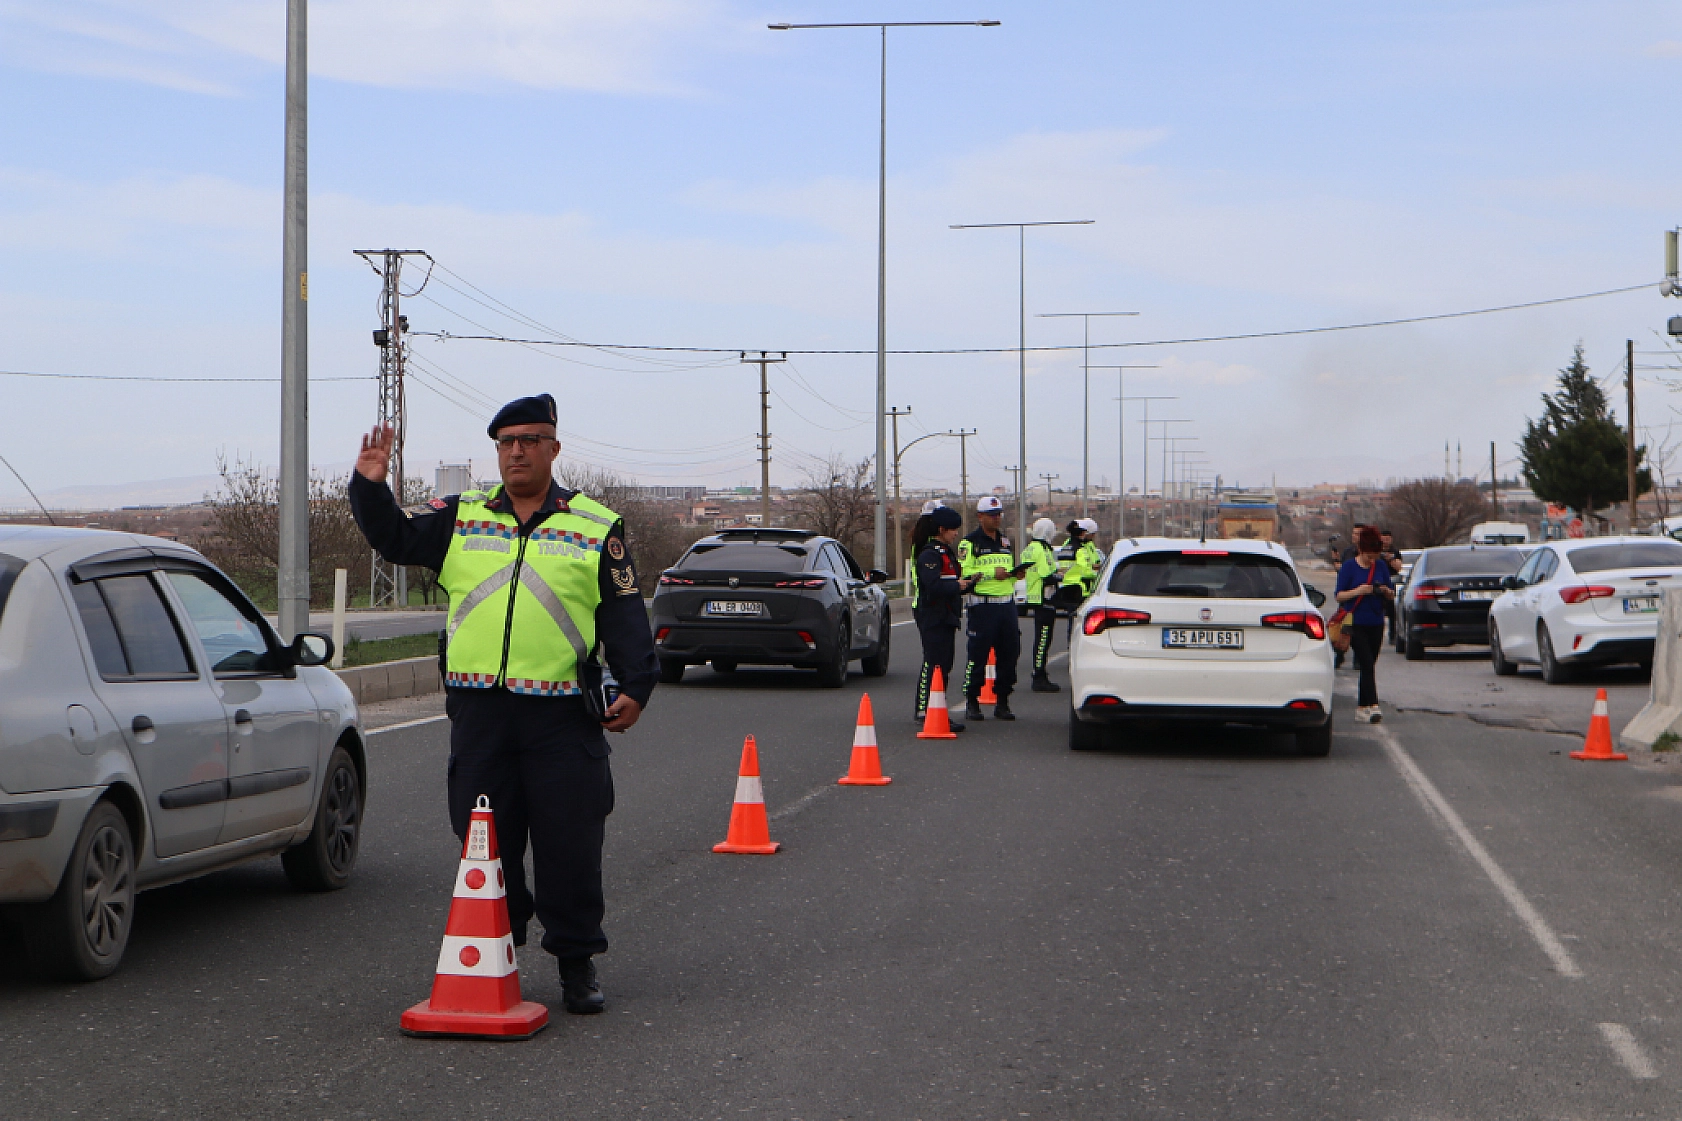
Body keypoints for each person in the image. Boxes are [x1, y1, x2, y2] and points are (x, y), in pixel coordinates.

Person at [348, 394, 659, 1016]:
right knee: (483, 841)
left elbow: (623, 614)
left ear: (553, 448)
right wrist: (369, 485)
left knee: (570, 841)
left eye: (529, 440)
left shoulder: (596, 526)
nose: (516, 450)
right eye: (506, 441)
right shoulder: (459, 516)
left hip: (562, 716)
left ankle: (577, 963)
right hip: (479, 713)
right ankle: (498, 950)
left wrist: (635, 685)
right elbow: (392, 536)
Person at [957, 496, 1020, 722]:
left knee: (1010, 654)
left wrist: (1015, 575)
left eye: (999, 514)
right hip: (983, 607)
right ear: (980, 516)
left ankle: (1002, 701)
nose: (997, 519)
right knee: (978, 655)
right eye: (992, 515)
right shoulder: (969, 543)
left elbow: (1009, 569)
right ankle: (972, 700)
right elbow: (964, 574)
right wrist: (994, 574)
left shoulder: (1004, 542)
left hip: (1006, 605)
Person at [913, 505, 975, 727]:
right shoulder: (929, 553)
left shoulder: (946, 552)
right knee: (935, 663)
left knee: (944, 664)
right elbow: (932, 585)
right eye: (952, 529)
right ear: (941, 529)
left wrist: (968, 585)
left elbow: (950, 582)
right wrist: (955, 585)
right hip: (933, 613)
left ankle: (936, 708)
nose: (956, 533)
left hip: (948, 614)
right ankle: (927, 710)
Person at [1335, 525, 1395, 724]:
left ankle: (1361, 708)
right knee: (1367, 663)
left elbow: (1392, 593)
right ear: (1361, 550)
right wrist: (1358, 591)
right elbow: (1339, 595)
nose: (1372, 561)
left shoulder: (1381, 567)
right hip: (1355, 622)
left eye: (1375, 556)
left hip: (1376, 621)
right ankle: (1374, 705)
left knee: (1370, 665)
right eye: (1369, 556)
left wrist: (1385, 590)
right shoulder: (1349, 567)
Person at [1021, 518, 1062, 692]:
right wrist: (1061, 576)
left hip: (1035, 597)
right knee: (1044, 639)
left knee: (1040, 638)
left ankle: (1039, 673)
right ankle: (1039, 675)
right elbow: (1047, 575)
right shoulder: (1042, 550)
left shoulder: (1029, 548)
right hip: (1045, 598)